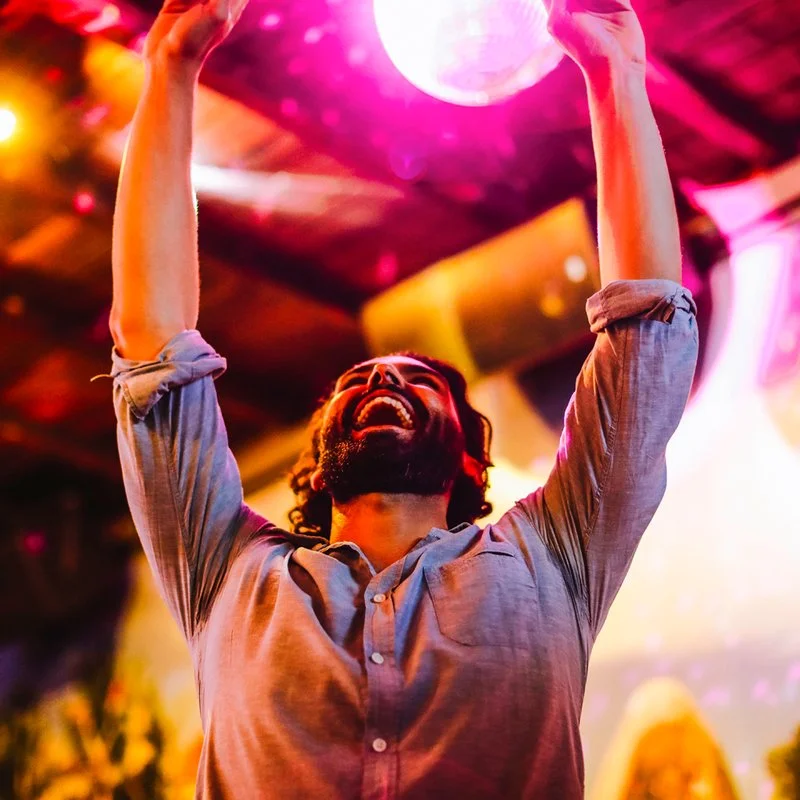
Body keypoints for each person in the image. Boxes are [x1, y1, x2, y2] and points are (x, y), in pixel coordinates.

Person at [109, 0, 698, 796]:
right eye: (356, 384)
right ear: (317, 460)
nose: (382, 378)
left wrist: (617, 76)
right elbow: (151, 341)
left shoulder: (555, 556)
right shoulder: (225, 570)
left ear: (469, 458)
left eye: (419, 381)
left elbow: (646, 337)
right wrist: (169, 67)